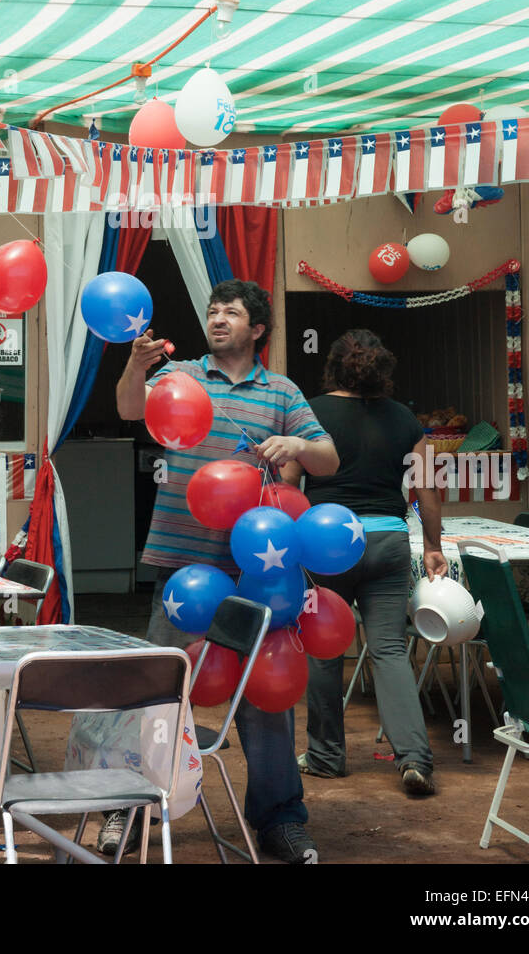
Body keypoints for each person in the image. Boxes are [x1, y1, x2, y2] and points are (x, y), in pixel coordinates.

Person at [102, 278, 339, 863]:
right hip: (178, 561)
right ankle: (126, 810)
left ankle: (280, 821)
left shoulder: (281, 392)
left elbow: (329, 456)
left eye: (231, 312)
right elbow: (130, 408)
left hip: (257, 572)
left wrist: (296, 448)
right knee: (156, 694)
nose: (218, 319)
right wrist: (136, 364)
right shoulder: (177, 378)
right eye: (213, 311)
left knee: (266, 701)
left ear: (257, 329)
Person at [298, 329, 448, 796]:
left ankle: (326, 756)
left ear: (334, 366)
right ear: (382, 369)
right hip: (387, 540)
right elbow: (425, 489)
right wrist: (432, 545)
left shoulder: (311, 413)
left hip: (327, 542)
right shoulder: (404, 419)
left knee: (325, 649)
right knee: (386, 650)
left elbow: (286, 487)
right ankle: (414, 759)